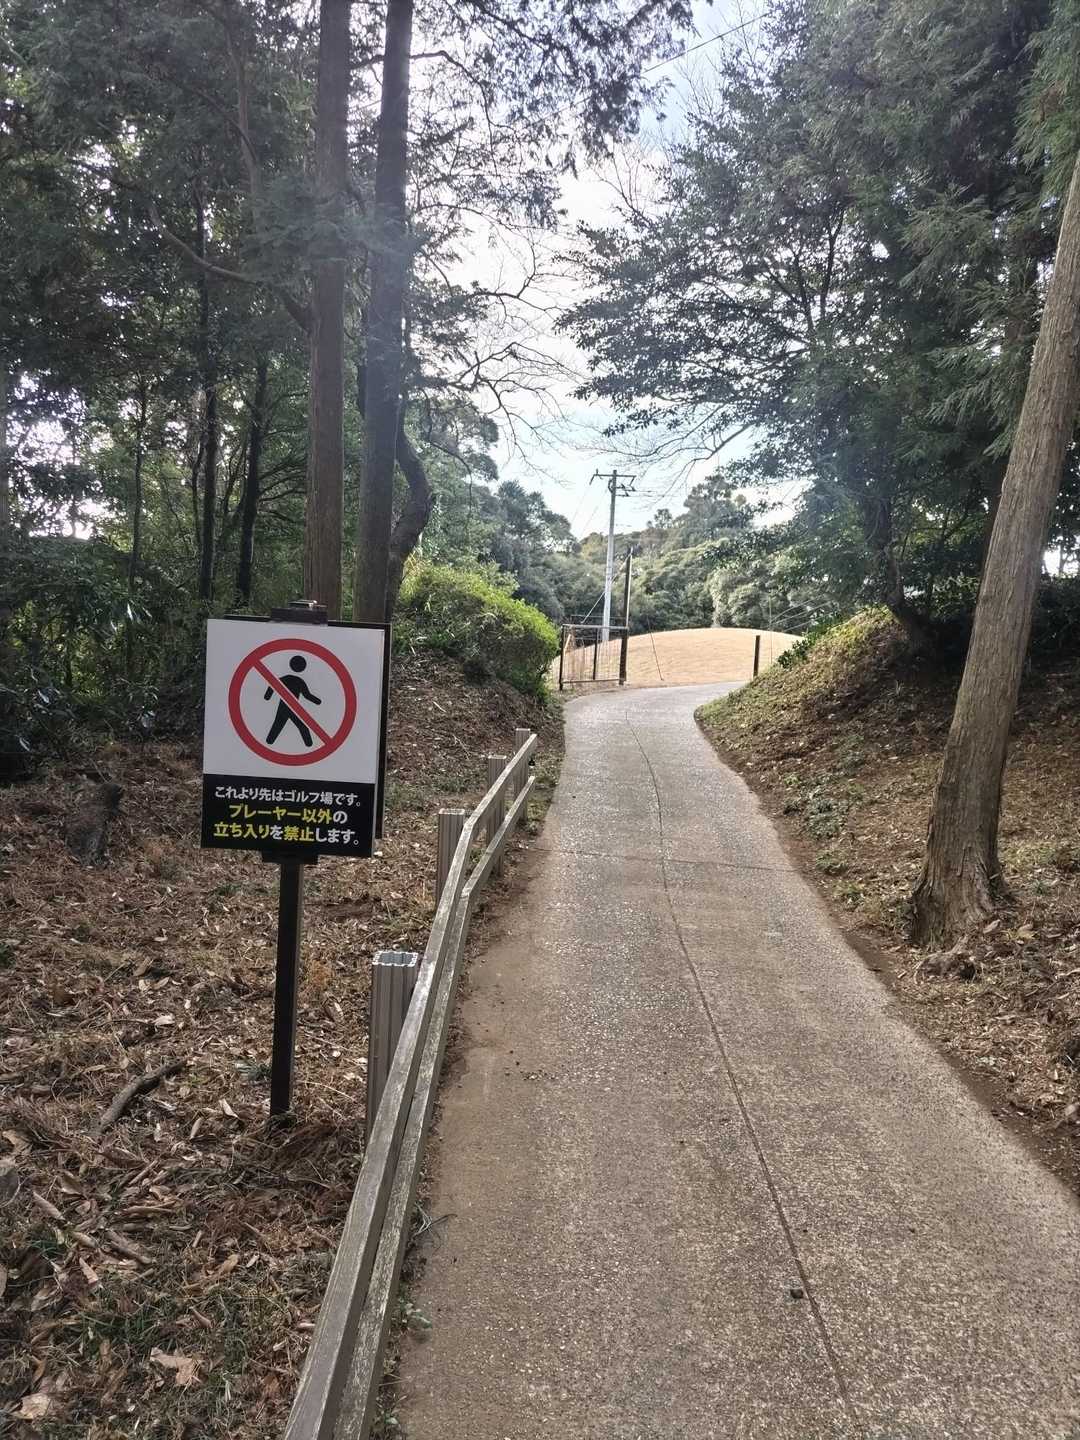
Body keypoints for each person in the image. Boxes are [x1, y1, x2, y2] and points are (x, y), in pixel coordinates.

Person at [264, 655, 321, 747]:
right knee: (300, 726)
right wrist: (318, 701)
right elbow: (307, 695)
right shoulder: (300, 681)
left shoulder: (287, 678)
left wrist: (267, 696)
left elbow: (272, 685)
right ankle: (309, 744)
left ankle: (269, 742)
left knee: (278, 725)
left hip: (285, 707)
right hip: (292, 708)